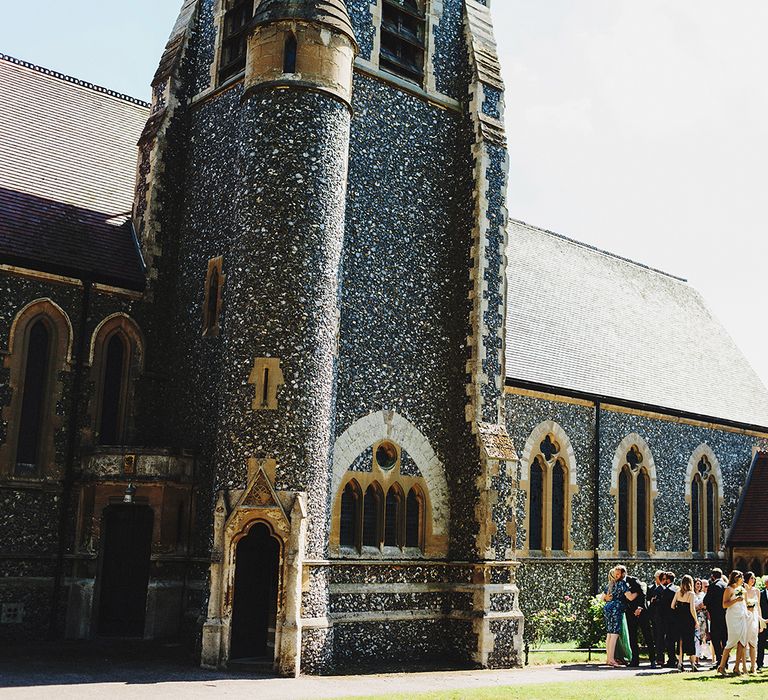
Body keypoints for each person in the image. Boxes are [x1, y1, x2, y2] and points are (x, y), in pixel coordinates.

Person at [717, 570, 748, 676]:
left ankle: (736, 667)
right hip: (733, 617)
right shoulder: (729, 589)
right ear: (737, 578)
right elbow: (724, 605)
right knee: (731, 641)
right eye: (742, 578)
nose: (743, 580)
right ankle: (721, 666)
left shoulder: (741, 589)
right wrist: (736, 600)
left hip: (742, 616)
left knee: (742, 642)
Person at [624, 569, 656, 667]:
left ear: (623, 573)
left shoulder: (633, 580)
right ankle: (635, 660)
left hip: (641, 612)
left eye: (618, 574)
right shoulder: (618, 584)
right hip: (630, 613)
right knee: (632, 637)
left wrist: (640, 607)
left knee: (647, 635)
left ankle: (652, 660)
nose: (616, 576)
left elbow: (642, 594)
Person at [600, 565, 630, 667]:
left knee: (609, 633)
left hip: (608, 607)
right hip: (616, 609)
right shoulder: (622, 584)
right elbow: (629, 597)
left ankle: (608, 658)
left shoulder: (610, 584)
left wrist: (608, 599)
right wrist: (638, 593)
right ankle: (612, 660)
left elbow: (602, 597)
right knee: (614, 634)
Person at [671, 574, 699, 671]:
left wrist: (678, 611)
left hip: (679, 618)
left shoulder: (678, 592)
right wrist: (696, 620)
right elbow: (692, 609)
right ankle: (692, 664)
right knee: (691, 640)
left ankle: (680, 663)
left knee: (680, 641)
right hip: (688, 619)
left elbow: (672, 605)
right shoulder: (691, 594)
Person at [703, 567, 727, 669]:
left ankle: (719, 660)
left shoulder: (713, 586)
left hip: (715, 616)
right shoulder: (726, 585)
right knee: (725, 639)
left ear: (713, 576)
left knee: (716, 639)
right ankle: (725, 661)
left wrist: (709, 607)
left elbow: (706, 600)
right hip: (726, 616)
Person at [744, 572, 765, 674]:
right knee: (743, 643)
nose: (753, 580)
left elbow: (759, 606)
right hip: (745, 617)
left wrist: (761, 622)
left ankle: (753, 667)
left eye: (754, 578)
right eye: (751, 578)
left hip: (754, 618)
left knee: (754, 643)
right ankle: (742, 666)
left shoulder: (757, 591)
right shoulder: (742, 590)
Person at [647, 570, 665, 667]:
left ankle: (661, 657)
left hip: (663, 616)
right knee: (656, 637)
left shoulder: (664, 588)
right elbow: (648, 601)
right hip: (654, 616)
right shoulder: (651, 588)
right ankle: (658, 658)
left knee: (662, 638)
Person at [660, 572, 679, 667]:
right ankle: (676, 659)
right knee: (675, 639)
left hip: (668, 618)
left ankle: (672, 660)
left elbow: (663, 606)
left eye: (664, 579)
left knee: (669, 640)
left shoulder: (667, 591)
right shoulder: (677, 589)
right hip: (677, 618)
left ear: (668, 580)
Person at [694, 578, 709, 661]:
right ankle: (696, 656)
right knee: (696, 636)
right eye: (697, 584)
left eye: (700, 584)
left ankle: (703, 653)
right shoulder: (692, 594)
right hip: (695, 615)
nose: (699, 585)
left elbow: (706, 605)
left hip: (703, 615)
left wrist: (702, 607)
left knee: (703, 635)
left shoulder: (703, 594)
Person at [758, 575, 768, 671]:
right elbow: (758, 608)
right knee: (761, 643)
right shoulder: (761, 594)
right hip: (763, 621)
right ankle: (759, 663)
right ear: (766, 584)